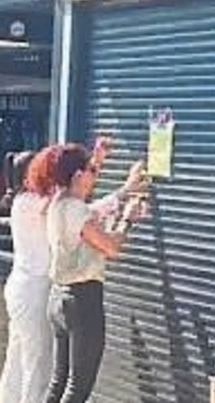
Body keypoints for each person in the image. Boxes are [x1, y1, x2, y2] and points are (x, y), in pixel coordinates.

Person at [0, 141, 145, 403]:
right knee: (40, 367)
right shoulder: (35, 203)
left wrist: (94, 163)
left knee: (30, 363)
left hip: (47, 293)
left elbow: (81, 199)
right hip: (46, 293)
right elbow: (90, 215)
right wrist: (126, 211)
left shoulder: (50, 203)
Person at [43, 143, 149, 403]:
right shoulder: (76, 209)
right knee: (78, 388)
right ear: (78, 175)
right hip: (82, 301)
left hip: (58, 298)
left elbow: (97, 208)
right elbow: (110, 246)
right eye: (92, 170)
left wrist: (126, 189)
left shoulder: (59, 203)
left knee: (59, 382)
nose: (95, 176)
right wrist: (127, 220)